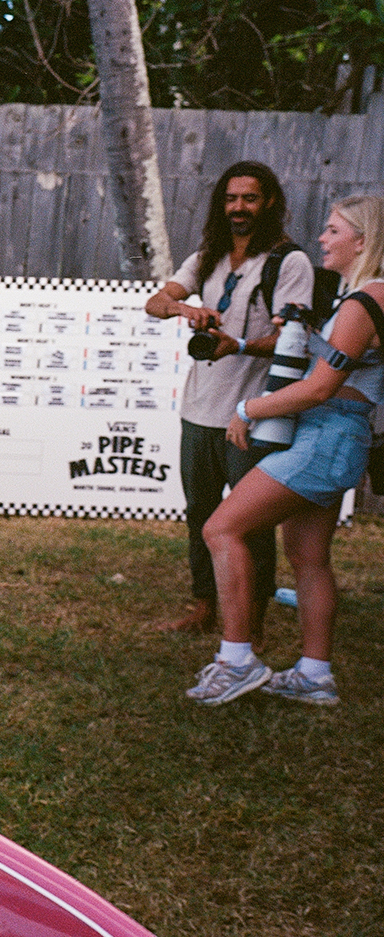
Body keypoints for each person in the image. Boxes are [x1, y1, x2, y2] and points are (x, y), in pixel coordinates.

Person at [187, 193, 384, 707]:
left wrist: (250, 408)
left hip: (324, 436)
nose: (321, 238)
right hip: (338, 437)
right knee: (309, 558)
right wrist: (304, 334)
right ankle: (315, 675)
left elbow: (320, 388)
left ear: (362, 241)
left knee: (221, 528)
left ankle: (237, 660)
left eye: (333, 230)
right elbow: (348, 366)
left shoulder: (365, 302)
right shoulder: (364, 299)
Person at [145, 162, 314, 640]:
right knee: (200, 513)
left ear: (270, 202)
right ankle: (204, 607)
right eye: (231, 198)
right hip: (199, 410)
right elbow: (155, 302)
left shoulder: (290, 262)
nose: (239, 208)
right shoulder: (208, 256)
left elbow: (294, 339)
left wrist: (236, 345)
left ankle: (251, 622)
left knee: (249, 523)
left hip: (253, 415)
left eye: (250, 198)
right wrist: (184, 307)